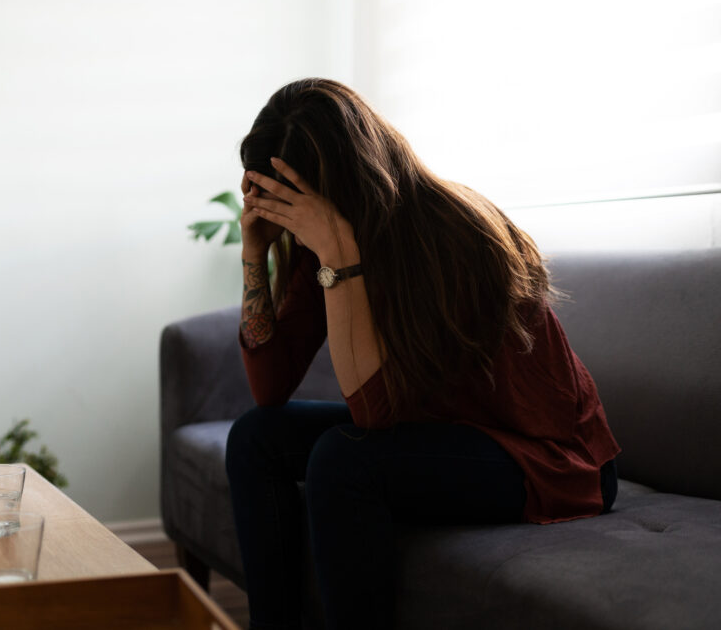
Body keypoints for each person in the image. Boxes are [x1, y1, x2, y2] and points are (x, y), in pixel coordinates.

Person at [225, 78, 621, 629]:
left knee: (343, 459)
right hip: (444, 430)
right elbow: (270, 390)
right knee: (254, 438)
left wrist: (339, 252)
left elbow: (372, 418)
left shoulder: (453, 232)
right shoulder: (328, 244)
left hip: (548, 459)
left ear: (338, 186)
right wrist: (255, 251)